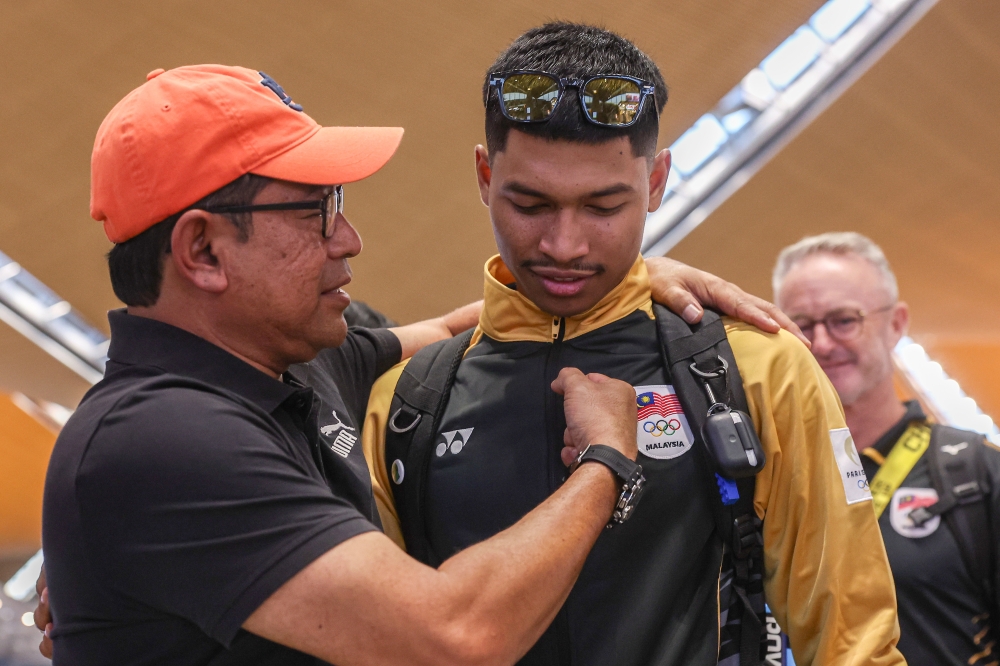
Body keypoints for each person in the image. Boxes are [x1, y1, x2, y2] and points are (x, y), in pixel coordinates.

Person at [37, 64, 800, 664]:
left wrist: (621, 280)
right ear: (203, 250)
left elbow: (458, 327)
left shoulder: (291, 365)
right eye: (316, 210)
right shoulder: (162, 441)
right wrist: (605, 461)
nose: (348, 240)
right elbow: (455, 638)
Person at [363, 22, 904, 666]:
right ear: (484, 175)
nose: (565, 245)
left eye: (603, 207)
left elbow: (852, 645)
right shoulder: (405, 401)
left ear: (656, 181)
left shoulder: (755, 368)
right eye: (530, 205)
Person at [774, 231, 1000, 666]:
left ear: (895, 324)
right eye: (801, 325)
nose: (822, 344)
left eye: (843, 320)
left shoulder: (976, 474)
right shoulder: (767, 480)